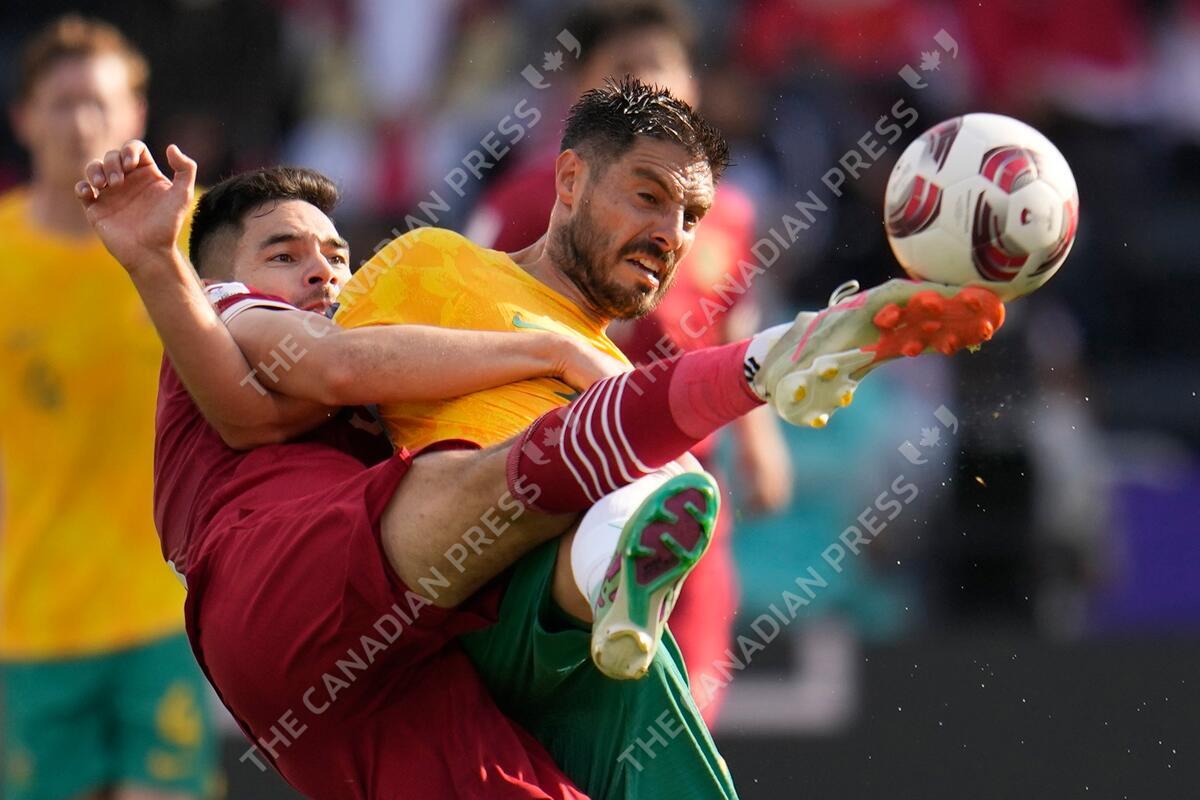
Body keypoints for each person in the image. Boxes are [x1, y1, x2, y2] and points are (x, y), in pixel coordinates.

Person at [78, 82, 1004, 799]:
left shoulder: (604, 368)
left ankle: (609, 556)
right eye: (647, 196)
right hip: (308, 571)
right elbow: (294, 390)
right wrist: (159, 263)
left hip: (431, 647)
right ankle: (750, 385)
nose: (668, 233)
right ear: (569, 182)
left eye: (689, 218)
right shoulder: (413, 270)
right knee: (498, 475)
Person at [464, 0, 793, 722]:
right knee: (564, 724)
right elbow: (464, 317)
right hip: (562, 492)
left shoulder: (728, 215)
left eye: (661, 67)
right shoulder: (527, 201)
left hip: (687, 499)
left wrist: (759, 438)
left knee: (681, 721)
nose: (648, 84)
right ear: (580, 92)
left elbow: (732, 326)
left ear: (695, 86)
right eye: (623, 69)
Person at [0, 16, 216, 799]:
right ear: (24, 118)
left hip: (167, 613)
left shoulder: (198, 238)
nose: (81, 123)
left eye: (99, 101)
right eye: (61, 103)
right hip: (32, 620)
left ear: (137, 114)